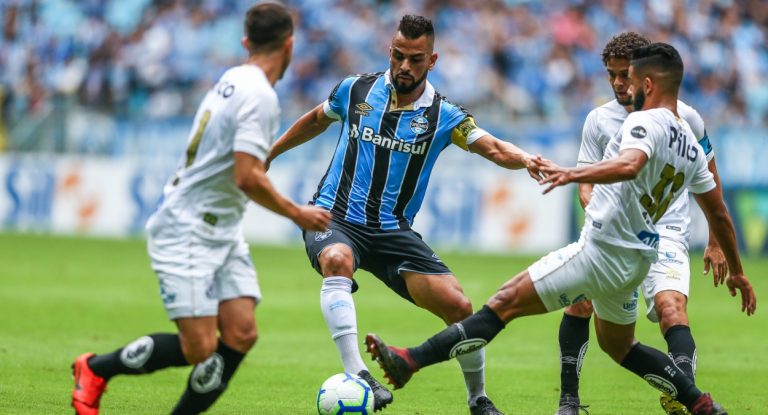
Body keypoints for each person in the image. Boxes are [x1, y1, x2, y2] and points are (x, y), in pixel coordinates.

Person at [364, 43, 757, 415]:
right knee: (621, 347)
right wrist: (738, 270)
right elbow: (719, 213)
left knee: (503, 304)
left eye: (632, 81)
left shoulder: (642, 120)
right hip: (637, 259)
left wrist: (573, 173)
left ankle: (409, 361)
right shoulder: (689, 141)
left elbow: (629, 165)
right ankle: (700, 402)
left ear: (649, 84)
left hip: (600, 253)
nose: (626, 88)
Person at [266, 14, 538, 414]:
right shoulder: (354, 89)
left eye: (415, 58)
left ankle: (478, 399)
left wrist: (528, 159)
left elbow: (494, 148)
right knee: (336, 260)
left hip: (392, 231)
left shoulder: (444, 115)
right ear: (389, 52)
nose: (404, 66)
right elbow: (315, 120)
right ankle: (359, 375)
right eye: (398, 56)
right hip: (334, 216)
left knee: (460, 308)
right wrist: (271, 152)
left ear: (433, 61)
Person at [70, 4, 332, 414]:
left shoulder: (234, 77)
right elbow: (247, 176)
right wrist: (297, 213)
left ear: (246, 42)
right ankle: (95, 368)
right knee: (200, 346)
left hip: (220, 228)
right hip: (187, 227)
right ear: (290, 44)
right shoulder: (260, 95)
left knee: (241, 332)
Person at [555, 32, 728, 415]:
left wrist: (715, 242)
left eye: (624, 76)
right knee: (579, 302)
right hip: (614, 234)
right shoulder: (598, 120)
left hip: (666, 233)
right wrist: (596, 207)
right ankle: (568, 400)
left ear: (643, 75)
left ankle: (685, 396)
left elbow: (710, 179)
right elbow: (585, 180)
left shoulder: (687, 117)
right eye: (611, 76)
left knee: (671, 310)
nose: (618, 84)